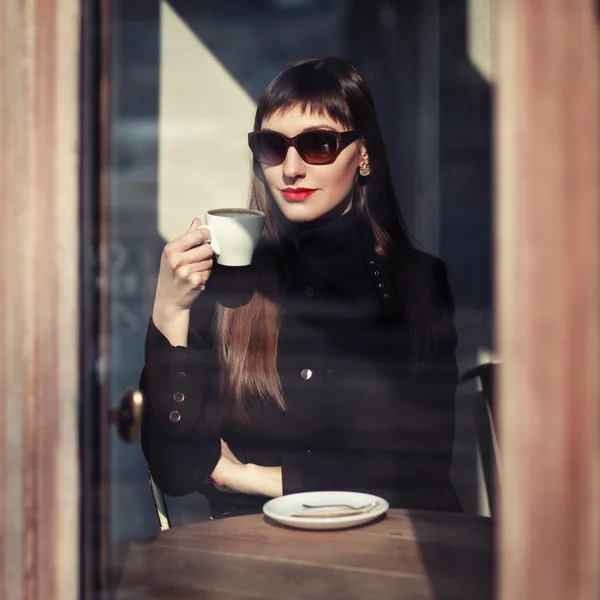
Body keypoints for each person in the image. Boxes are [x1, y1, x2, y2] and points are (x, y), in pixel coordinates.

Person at [141, 57, 462, 518]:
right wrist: (169, 312)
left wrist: (248, 476)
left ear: (364, 153)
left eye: (318, 145)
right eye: (272, 146)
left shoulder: (415, 283)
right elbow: (175, 468)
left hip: (382, 558)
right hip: (250, 561)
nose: (291, 168)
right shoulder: (226, 286)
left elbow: (419, 470)